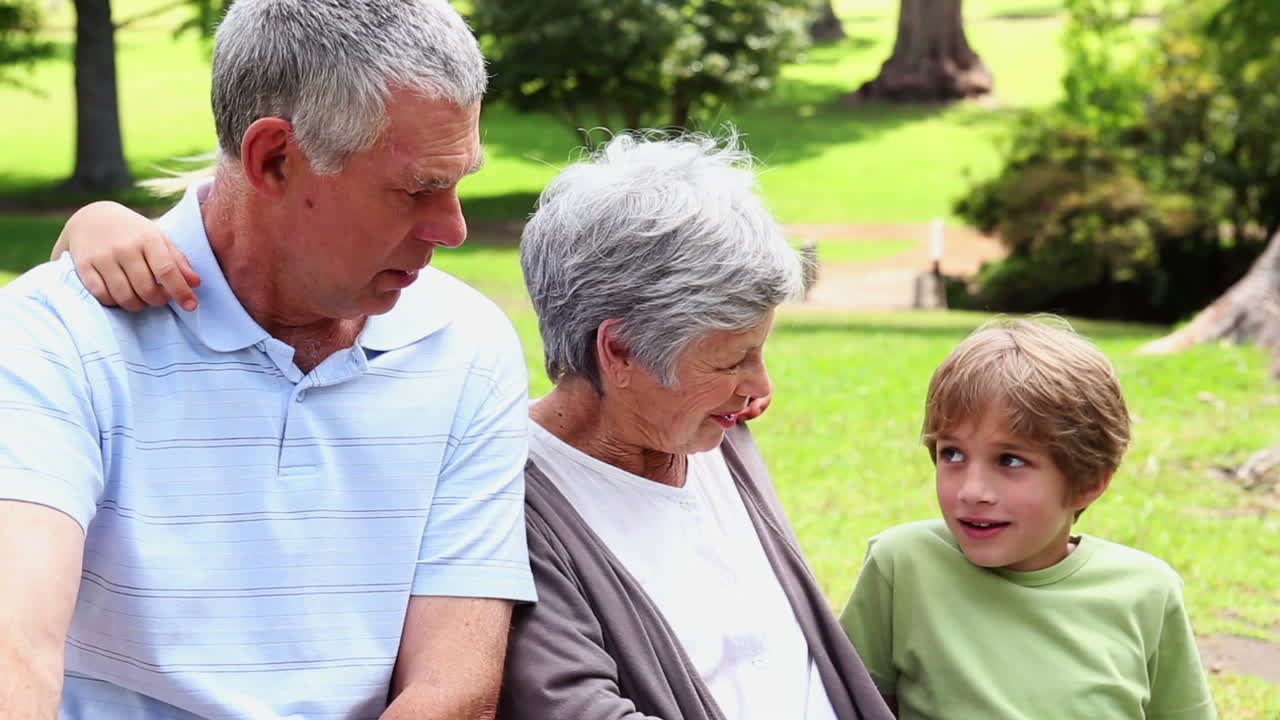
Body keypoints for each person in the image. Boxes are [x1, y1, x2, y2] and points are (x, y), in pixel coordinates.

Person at [52, 131, 895, 719]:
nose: (761, 389)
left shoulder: (715, 436)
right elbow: (568, 708)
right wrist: (89, 231)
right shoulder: (513, 494)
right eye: (733, 358)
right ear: (622, 350)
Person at [0, 1, 536, 718]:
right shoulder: (56, 337)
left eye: (458, 179)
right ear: (274, 158)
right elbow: (16, 651)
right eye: (417, 190)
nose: (454, 229)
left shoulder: (467, 345)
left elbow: (452, 685)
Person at [839, 318, 1217, 719]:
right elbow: (839, 703)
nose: (971, 490)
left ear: (1087, 482)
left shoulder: (1147, 592)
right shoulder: (902, 565)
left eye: (1010, 460)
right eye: (952, 454)